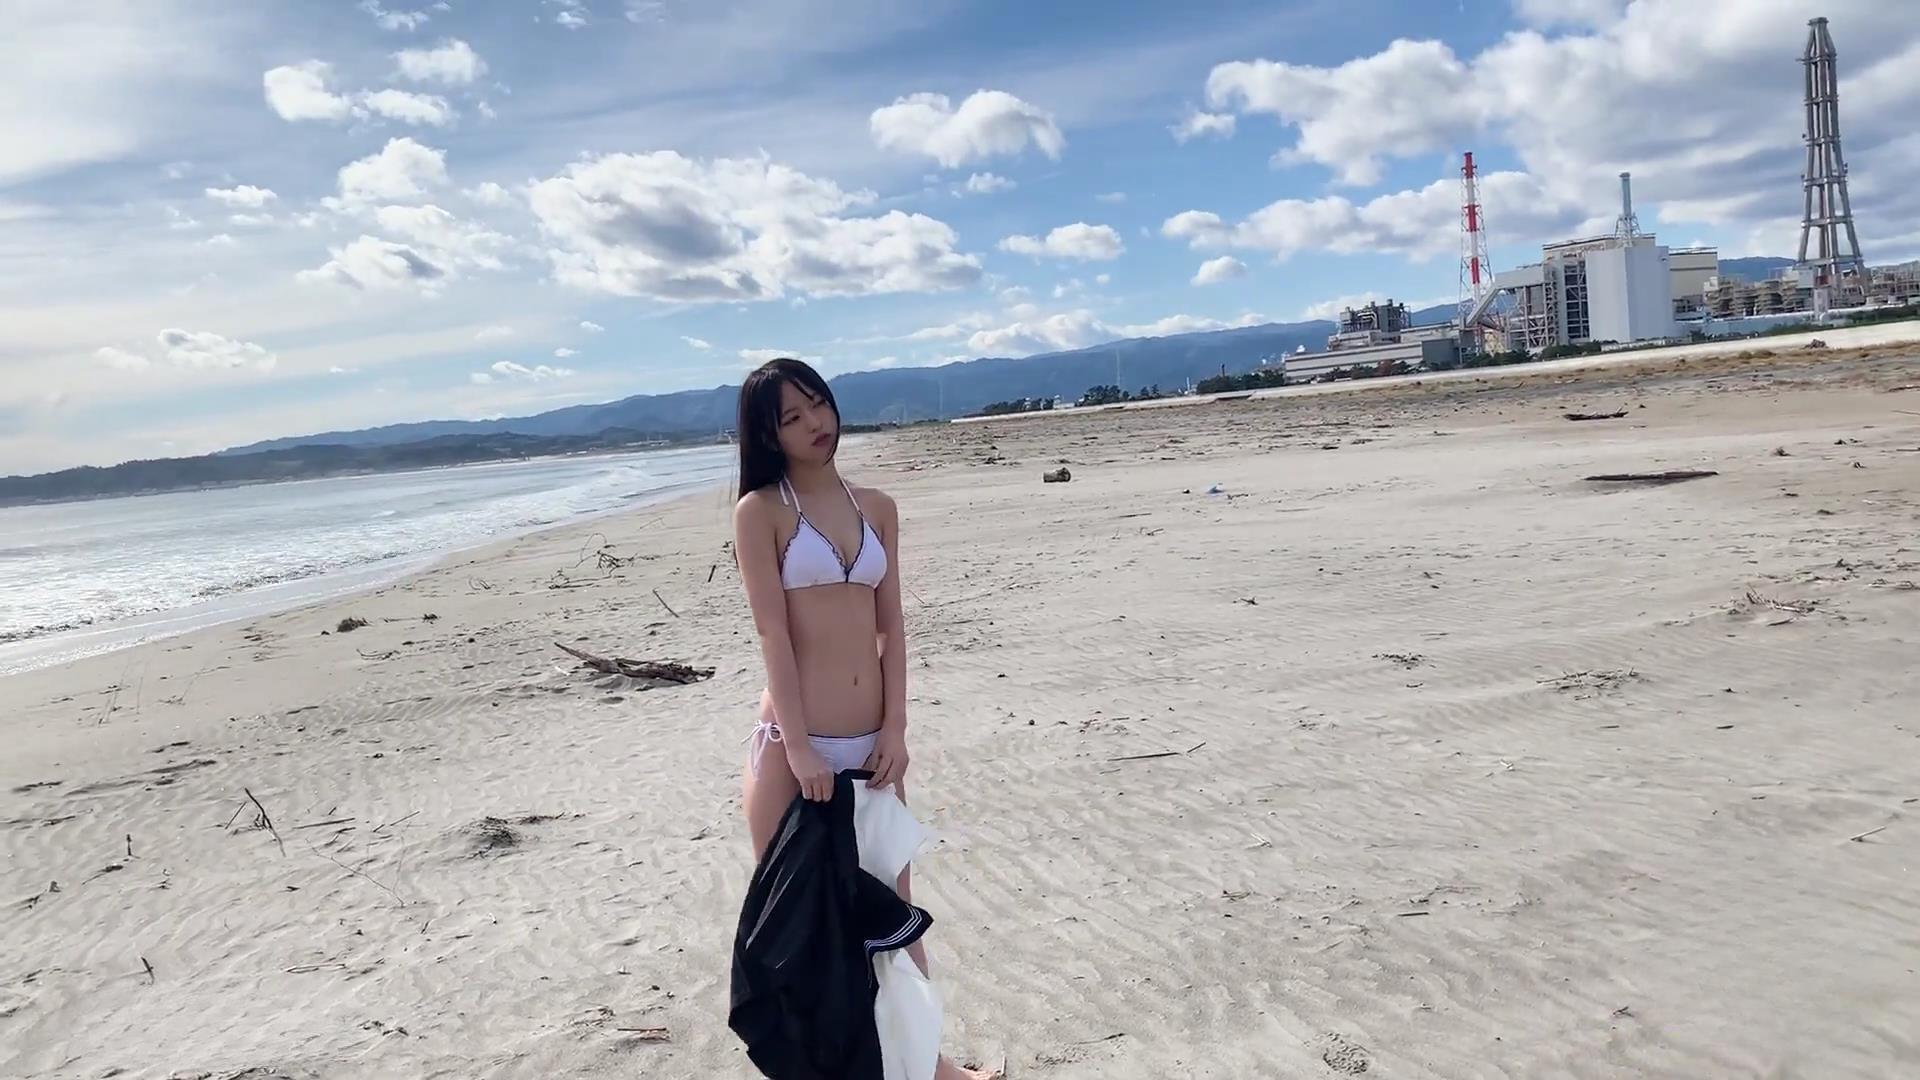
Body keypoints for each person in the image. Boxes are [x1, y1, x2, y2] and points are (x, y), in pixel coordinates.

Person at [732, 358, 998, 1080]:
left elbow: (892, 627)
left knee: (895, 921)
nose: (814, 423)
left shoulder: (876, 506)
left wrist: (896, 729)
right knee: (807, 931)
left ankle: (931, 1067)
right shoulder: (761, 511)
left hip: (873, 746)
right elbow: (772, 635)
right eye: (791, 417)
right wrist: (800, 749)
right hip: (793, 751)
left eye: (817, 404)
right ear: (768, 435)